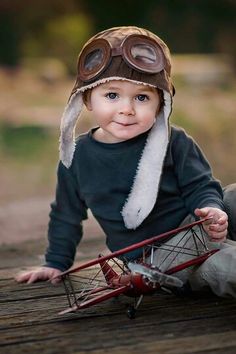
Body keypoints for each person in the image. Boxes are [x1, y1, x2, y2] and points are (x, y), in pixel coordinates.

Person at [15, 26, 236, 297]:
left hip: (193, 225)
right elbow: (66, 214)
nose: (126, 109)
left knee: (233, 195)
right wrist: (55, 262)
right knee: (226, 266)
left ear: (160, 105)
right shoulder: (77, 157)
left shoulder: (175, 141)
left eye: (142, 97)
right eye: (112, 95)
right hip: (160, 261)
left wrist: (212, 210)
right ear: (87, 99)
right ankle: (221, 254)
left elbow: (200, 186)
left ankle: (220, 237)